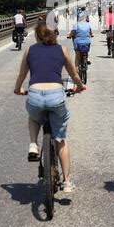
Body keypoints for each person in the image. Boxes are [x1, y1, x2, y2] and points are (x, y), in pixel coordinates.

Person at [14, 21, 86, 193]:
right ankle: (67, 182)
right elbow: (73, 74)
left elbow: (22, 75)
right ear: (54, 34)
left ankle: (33, 144)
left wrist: (18, 89)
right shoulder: (61, 50)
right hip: (56, 96)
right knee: (61, 139)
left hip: (35, 95)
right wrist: (80, 86)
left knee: (34, 117)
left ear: (37, 36)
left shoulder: (29, 50)